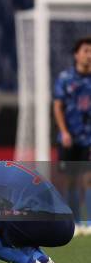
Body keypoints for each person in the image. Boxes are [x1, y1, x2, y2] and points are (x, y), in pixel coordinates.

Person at [53, 36, 91, 236]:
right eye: (86, 50)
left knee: (88, 178)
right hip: (68, 138)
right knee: (70, 180)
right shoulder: (66, 78)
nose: (89, 55)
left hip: (88, 138)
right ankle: (74, 221)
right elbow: (58, 106)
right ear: (77, 54)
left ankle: (89, 221)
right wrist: (64, 131)